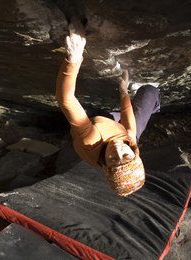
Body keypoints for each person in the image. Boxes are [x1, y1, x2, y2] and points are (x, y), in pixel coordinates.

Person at [55, 18, 161, 196]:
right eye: (126, 156)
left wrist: (74, 58)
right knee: (150, 91)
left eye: (113, 159)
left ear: (105, 164)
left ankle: (108, 117)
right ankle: (156, 105)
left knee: (102, 117)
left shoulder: (91, 140)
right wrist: (123, 91)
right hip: (119, 128)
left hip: (100, 125)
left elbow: (66, 99)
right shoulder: (130, 143)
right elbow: (129, 124)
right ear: (135, 154)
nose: (118, 150)